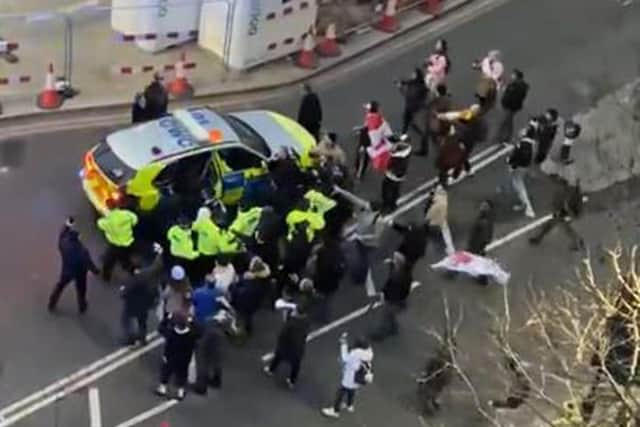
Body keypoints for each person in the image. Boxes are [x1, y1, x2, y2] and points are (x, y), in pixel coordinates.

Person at [48, 217, 100, 313]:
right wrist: (96, 271)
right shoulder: (82, 251)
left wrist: (67, 225)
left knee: (60, 286)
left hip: (67, 270)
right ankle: (82, 306)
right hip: (80, 273)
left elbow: (62, 234)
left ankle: (52, 303)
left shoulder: (63, 244)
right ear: (78, 238)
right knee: (81, 289)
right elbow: (88, 263)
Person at [321, 334, 374, 418]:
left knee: (340, 393)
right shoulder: (369, 352)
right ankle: (349, 405)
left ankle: (335, 411)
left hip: (351, 377)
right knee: (352, 391)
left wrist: (343, 344)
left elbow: (345, 358)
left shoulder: (356, 353)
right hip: (360, 378)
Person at [264, 301, 312, 388]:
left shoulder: (291, 323)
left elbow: (282, 335)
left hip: (287, 347)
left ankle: (271, 370)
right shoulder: (306, 321)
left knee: (278, 357)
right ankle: (292, 381)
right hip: (299, 347)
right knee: (296, 365)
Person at [529, 178, 585, 251]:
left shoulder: (571, 192)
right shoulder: (573, 191)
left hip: (567, 213)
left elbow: (569, 206)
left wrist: (565, 211)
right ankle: (579, 242)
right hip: (566, 212)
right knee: (554, 226)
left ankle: (578, 242)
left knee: (563, 227)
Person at [155, 312, 201, 400]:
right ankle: (180, 392)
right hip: (185, 358)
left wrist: (167, 319)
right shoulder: (191, 334)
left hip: (170, 356)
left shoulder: (171, 333)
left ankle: (163, 388)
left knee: (166, 371)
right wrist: (192, 321)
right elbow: (200, 331)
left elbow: (161, 329)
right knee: (182, 374)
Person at [370, 252, 413, 341]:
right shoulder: (405, 273)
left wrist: (384, 296)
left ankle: (380, 335)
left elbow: (392, 289)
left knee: (385, 317)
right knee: (390, 316)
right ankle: (393, 328)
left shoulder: (398, 277)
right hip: (399, 302)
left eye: (394, 260)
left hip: (394, 302)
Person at [119, 261, 159, 346]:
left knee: (126, 321)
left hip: (131, 306)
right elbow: (154, 292)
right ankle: (143, 339)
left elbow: (124, 294)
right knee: (142, 323)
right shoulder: (148, 280)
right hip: (144, 307)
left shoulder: (130, 282)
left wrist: (122, 292)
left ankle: (130, 339)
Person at [309, 236, 347, 322]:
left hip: (321, 283)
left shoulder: (321, 254)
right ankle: (323, 317)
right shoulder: (337, 253)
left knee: (320, 299)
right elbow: (341, 269)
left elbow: (315, 268)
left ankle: (318, 315)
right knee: (326, 301)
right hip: (331, 283)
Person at [97, 202, 138, 282]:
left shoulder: (108, 221)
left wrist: (102, 214)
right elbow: (135, 220)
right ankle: (132, 270)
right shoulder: (126, 214)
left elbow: (100, 223)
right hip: (128, 241)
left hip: (116, 244)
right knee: (125, 258)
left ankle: (106, 276)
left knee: (109, 261)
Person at [230, 256, 271, 335]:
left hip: (246, 302)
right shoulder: (264, 277)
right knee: (249, 316)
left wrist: (237, 283)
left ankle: (241, 328)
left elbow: (238, 292)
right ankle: (249, 329)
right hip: (256, 301)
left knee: (244, 314)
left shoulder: (249, 283)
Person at [504, 124, 536, 218]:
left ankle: (528, 208)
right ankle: (524, 205)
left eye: (524, 130)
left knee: (519, 187)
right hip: (523, 167)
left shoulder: (523, 145)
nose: (521, 130)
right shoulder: (530, 143)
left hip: (520, 168)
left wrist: (512, 165)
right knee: (517, 185)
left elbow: (522, 157)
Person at [193, 311, 227, 394]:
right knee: (216, 364)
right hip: (217, 349)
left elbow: (203, 342)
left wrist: (197, 344)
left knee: (202, 367)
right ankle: (216, 381)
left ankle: (201, 387)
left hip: (206, 349)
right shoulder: (221, 330)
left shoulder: (210, 328)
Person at [496, 69, 529, 145]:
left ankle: (501, 137)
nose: (511, 76)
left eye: (513, 75)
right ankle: (505, 137)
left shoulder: (519, 87)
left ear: (517, 77)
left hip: (511, 107)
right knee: (508, 122)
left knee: (504, 121)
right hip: (510, 106)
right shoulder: (514, 84)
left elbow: (514, 97)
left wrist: (507, 92)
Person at [467, 200, 495, 286]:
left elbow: (485, 236)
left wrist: (479, 246)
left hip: (476, 245)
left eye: (484, 206)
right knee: (478, 261)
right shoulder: (485, 217)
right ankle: (483, 279)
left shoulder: (484, 221)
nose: (481, 206)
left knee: (473, 259)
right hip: (476, 244)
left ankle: (483, 279)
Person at [191, 207, 222, 285]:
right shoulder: (216, 230)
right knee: (210, 272)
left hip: (202, 254)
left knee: (201, 272)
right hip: (212, 256)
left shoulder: (200, 223)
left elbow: (193, 227)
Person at [380, 140, 411, 212]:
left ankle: (386, 206)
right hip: (400, 178)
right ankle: (393, 205)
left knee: (387, 191)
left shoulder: (396, 158)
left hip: (392, 177)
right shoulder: (406, 154)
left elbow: (390, 165)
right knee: (395, 191)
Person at [421, 83, 452, 156]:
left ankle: (441, 152)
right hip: (444, 124)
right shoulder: (447, 100)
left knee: (435, 140)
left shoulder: (436, 100)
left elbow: (427, 105)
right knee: (442, 138)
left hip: (436, 125)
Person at [396, 68, 428, 138]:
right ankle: (405, 134)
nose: (412, 75)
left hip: (414, 107)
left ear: (417, 75)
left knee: (409, 121)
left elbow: (408, 94)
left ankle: (422, 134)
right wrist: (400, 86)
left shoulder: (420, 86)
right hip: (411, 106)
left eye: (413, 74)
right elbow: (406, 92)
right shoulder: (413, 83)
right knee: (408, 121)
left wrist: (401, 87)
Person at [166, 217, 199, 283]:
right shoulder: (186, 237)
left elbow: (169, 237)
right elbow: (191, 255)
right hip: (186, 258)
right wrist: (198, 253)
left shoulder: (173, 229)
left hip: (173, 254)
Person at [425, 187, 455, 255]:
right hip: (442, 217)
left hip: (436, 220)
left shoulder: (435, 205)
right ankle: (450, 248)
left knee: (439, 228)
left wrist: (427, 219)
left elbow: (429, 215)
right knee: (446, 232)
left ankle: (450, 249)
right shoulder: (443, 198)